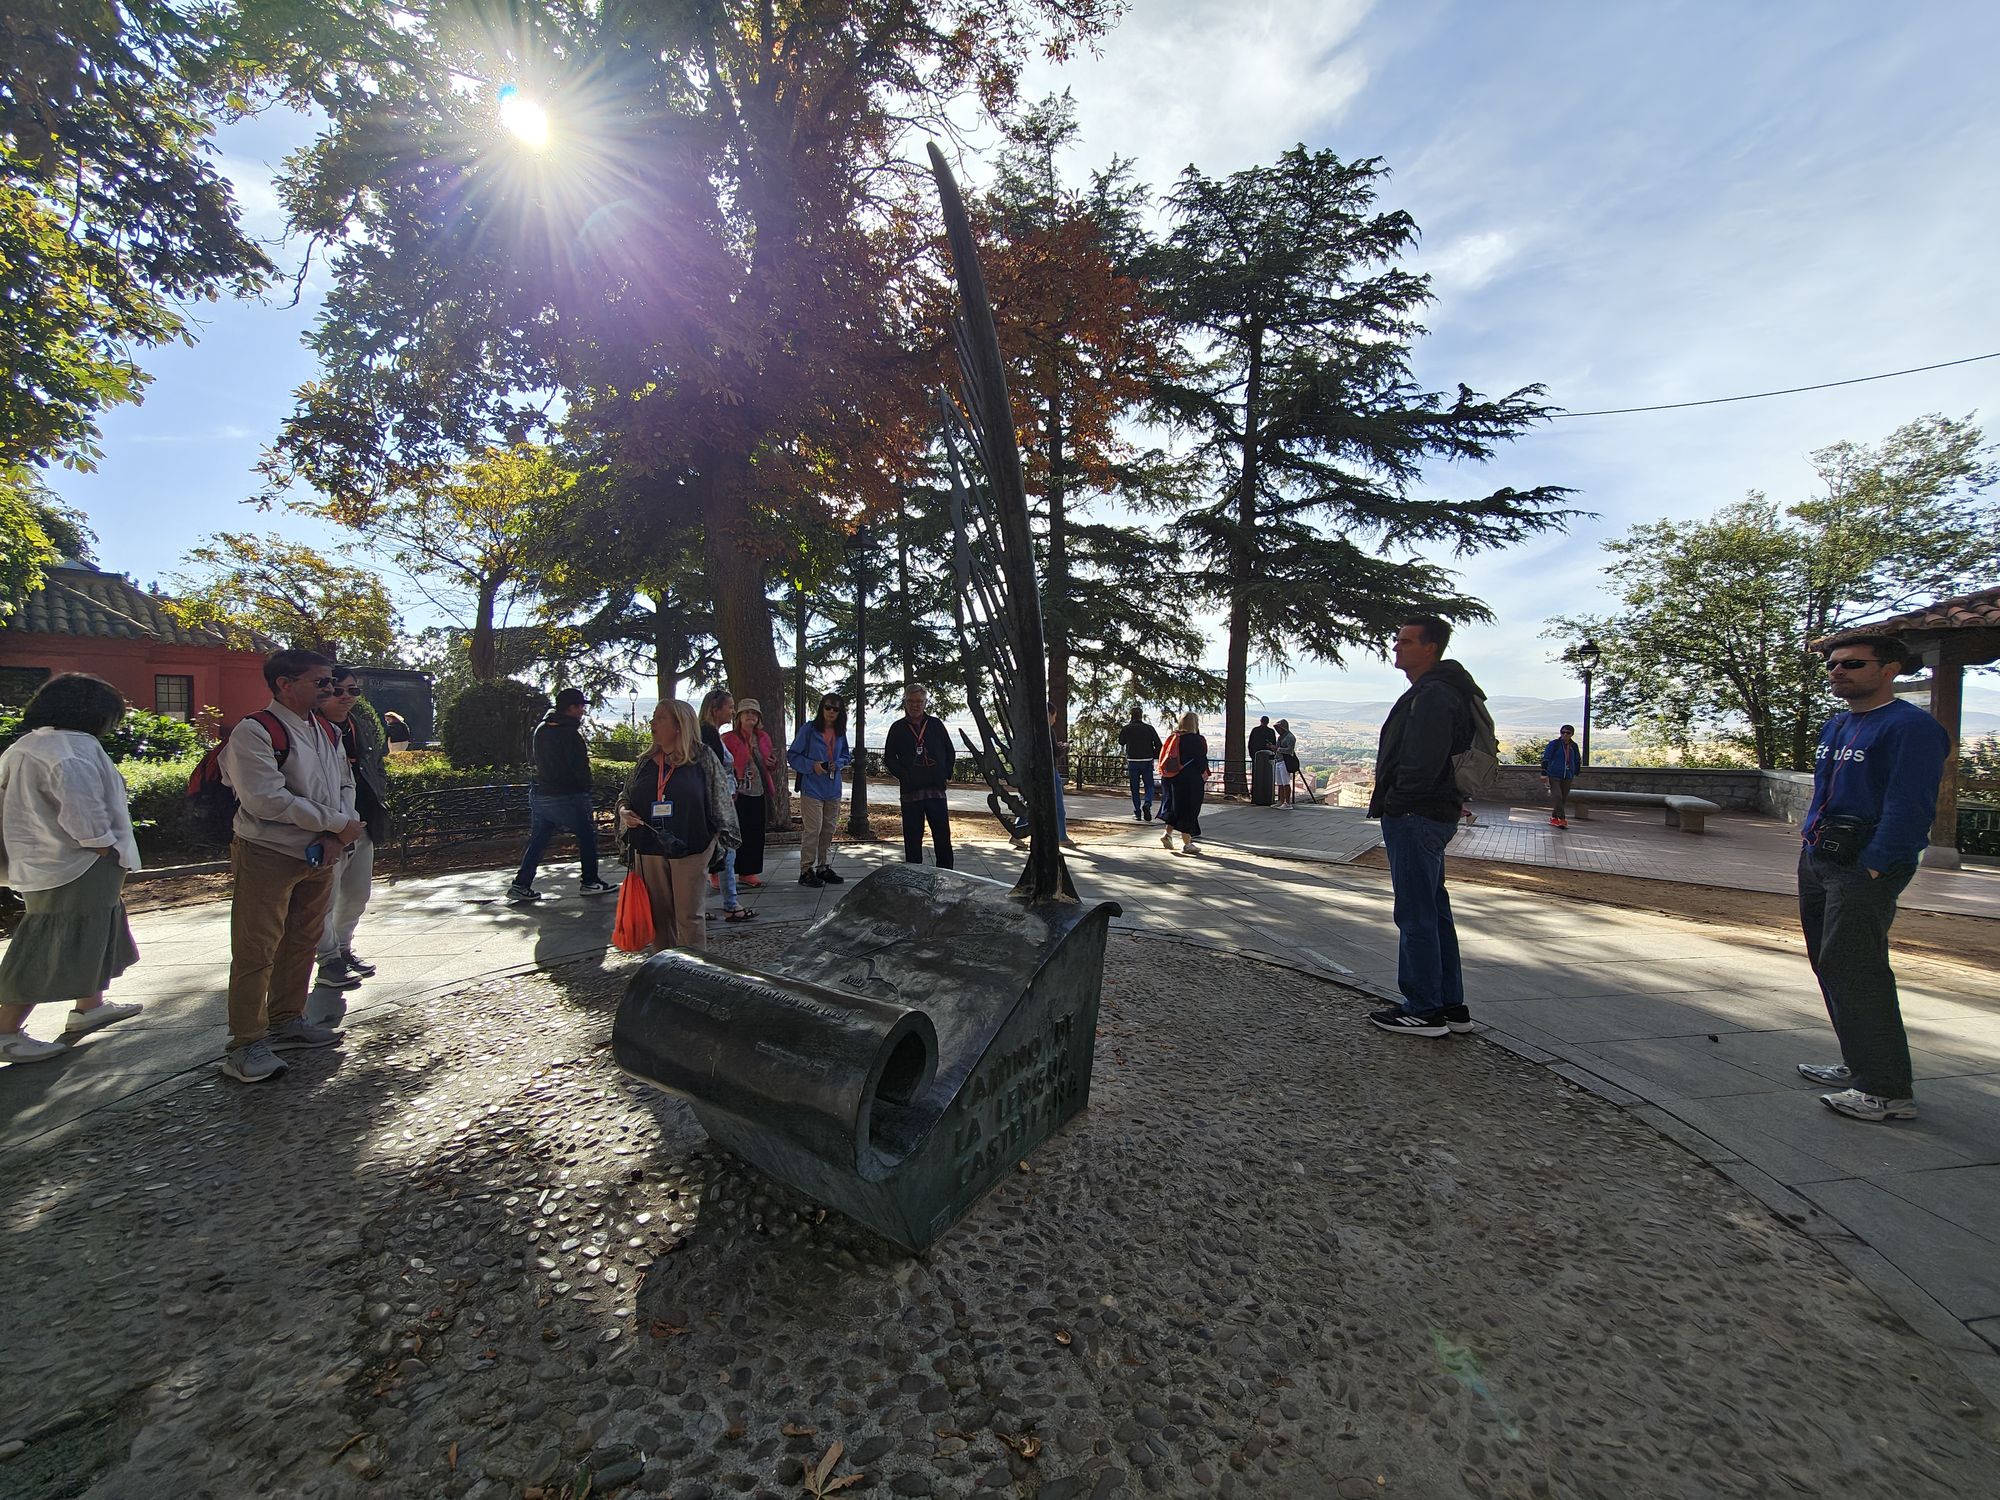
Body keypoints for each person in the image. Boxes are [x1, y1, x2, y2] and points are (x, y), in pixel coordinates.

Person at [1795, 633, 1951, 1123]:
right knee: (1830, 962)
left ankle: (1886, 1091)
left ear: (1890, 669)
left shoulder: (1910, 728)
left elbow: (1911, 802)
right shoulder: (1838, 724)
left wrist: (1879, 860)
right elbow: (1825, 790)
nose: (1838, 671)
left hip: (1865, 863)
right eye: (1834, 665)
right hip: (1822, 856)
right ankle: (1859, 1063)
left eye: (1853, 663)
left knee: (1856, 966)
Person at [218, 649, 358, 1083]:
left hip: (319, 851)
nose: (330, 689)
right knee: (256, 946)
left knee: (302, 939)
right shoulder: (256, 731)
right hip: (268, 851)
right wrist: (336, 824)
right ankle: (245, 1042)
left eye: (331, 681)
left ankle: (286, 1019)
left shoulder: (325, 729)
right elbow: (265, 799)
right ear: (285, 683)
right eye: (321, 682)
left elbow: (341, 785)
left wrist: (336, 836)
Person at [0, 675, 144, 1063]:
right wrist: (105, 848)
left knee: (88, 931)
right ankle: (6, 1030)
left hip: (42, 860)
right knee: (51, 943)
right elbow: (85, 816)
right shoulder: (72, 749)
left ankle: (90, 1006)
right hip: (77, 862)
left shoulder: (27, 745)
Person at [1365, 616, 1482, 1039]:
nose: (1395, 647)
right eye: (1396, 639)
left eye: (1405, 641)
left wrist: (1398, 804)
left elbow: (1421, 761)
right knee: (1434, 911)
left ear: (1430, 647)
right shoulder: (1445, 690)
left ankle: (1423, 1009)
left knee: (1415, 914)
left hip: (1416, 815)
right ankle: (1451, 1006)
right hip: (1430, 814)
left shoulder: (1433, 695)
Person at [618, 700, 739, 951]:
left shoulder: (702, 757)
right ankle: (665, 970)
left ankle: (695, 973)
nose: (652, 723)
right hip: (649, 848)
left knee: (689, 917)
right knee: (659, 918)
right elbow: (625, 796)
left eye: (659, 718)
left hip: (690, 846)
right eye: (653, 717)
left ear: (678, 725)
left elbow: (720, 799)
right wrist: (623, 812)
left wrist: (718, 838)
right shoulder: (646, 761)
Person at [313, 667, 392, 998]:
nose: (346, 697)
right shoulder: (311, 730)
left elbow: (373, 768)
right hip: (327, 827)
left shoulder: (358, 727)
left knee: (357, 893)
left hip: (361, 822)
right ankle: (328, 959)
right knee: (324, 898)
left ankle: (343, 947)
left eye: (353, 691)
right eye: (339, 690)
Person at [508, 688, 615, 905]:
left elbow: (533, 758)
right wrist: (586, 788)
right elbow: (579, 767)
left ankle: (521, 883)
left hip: (541, 794)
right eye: (581, 706)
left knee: (539, 839)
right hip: (568, 794)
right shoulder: (569, 734)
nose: (583, 711)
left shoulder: (541, 729)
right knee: (587, 835)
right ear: (572, 708)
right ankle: (590, 881)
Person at [883, 683, 955, 869]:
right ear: (905, 703)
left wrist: (944, 774)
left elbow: (949, 750)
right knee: (913, 837)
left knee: (942, 836)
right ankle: (914, 875)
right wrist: (904, 776)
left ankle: (946, 874)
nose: (915, 705)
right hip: (910, 792)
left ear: (925, 703)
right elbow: (889, 758)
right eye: (911, 701)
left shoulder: (935, 725)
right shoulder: (897, 728)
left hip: (936, 790)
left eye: (919, 701)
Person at [788, 691, 853, 888]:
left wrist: (839, 763)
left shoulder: (840, 732)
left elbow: (845, 755)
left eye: (835, 708)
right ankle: (805, 869)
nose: (831, 712)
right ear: (821, 709)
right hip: (812, 786)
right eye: (828, 707)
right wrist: (813, 765)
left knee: (828, 828)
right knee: (813, 829)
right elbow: (793, 755)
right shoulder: (809, 729)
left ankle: (823, 866)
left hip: (833, 787)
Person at [698, 689, 752, 922]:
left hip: (723, 799)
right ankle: (730, 903)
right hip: (718, 804)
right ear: (715, 708)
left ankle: (718, 903)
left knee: (720, 853)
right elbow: (714, 771)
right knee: (725, 851)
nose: (732, 711)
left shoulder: (711, 733)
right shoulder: (707, 733)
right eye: (729, 707)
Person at [721, 699, 779, 889]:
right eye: (746, 712)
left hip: (757, 789)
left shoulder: (763, 737)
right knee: (732, 832)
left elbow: (769, 762)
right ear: (738, 716)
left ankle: (748, 872)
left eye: (754, 713)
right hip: (735, 791)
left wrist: (772, 763)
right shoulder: (728, 738)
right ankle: (719, 871)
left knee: (754, 832)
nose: (750, 716)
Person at [1159, 712, 1208, 855]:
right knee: (1189, 809)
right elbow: (1201, 762)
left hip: (1172, 777)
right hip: (1190, 779)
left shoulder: (1174, 737)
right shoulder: (1196, 740)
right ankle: (1187, 843)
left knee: (1174, 806)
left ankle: (1167, 834)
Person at [1118, 706, 1162, 822]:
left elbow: (1121, 742)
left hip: (1132, 760)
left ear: (1131, 715)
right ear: (1141, 715)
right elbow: (1159, 744)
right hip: (1147, 760)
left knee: (1134, 787)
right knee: (1149, 785)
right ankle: (1147, 803)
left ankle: (1137, 812)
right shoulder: (1149, 728)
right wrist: (1154, 754)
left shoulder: (1127, 728)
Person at [1540, 724, 1581, 828]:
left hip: (1568, 775)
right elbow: (1546, 758)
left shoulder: (1573, 746)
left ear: (1572, 734)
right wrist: (1544, 773)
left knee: (1563, 798)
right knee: (1557, 796)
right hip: (1554, 774)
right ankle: (1562, 819)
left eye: (1567, 733)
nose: (1565, 734)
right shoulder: (1555, 744)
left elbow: (1577, 759)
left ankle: (1554, 818)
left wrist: (1575, 771)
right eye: (1563, 732)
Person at [1274, 719, 1300, 809]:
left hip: (1285, 761)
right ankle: (1280, 800)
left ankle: (1287, 802)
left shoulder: (1290, 737)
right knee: (1280, 783)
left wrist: (1278, 749)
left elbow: (1290, 750)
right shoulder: (1281, 737)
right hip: (1279, 760)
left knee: (1285, 782)